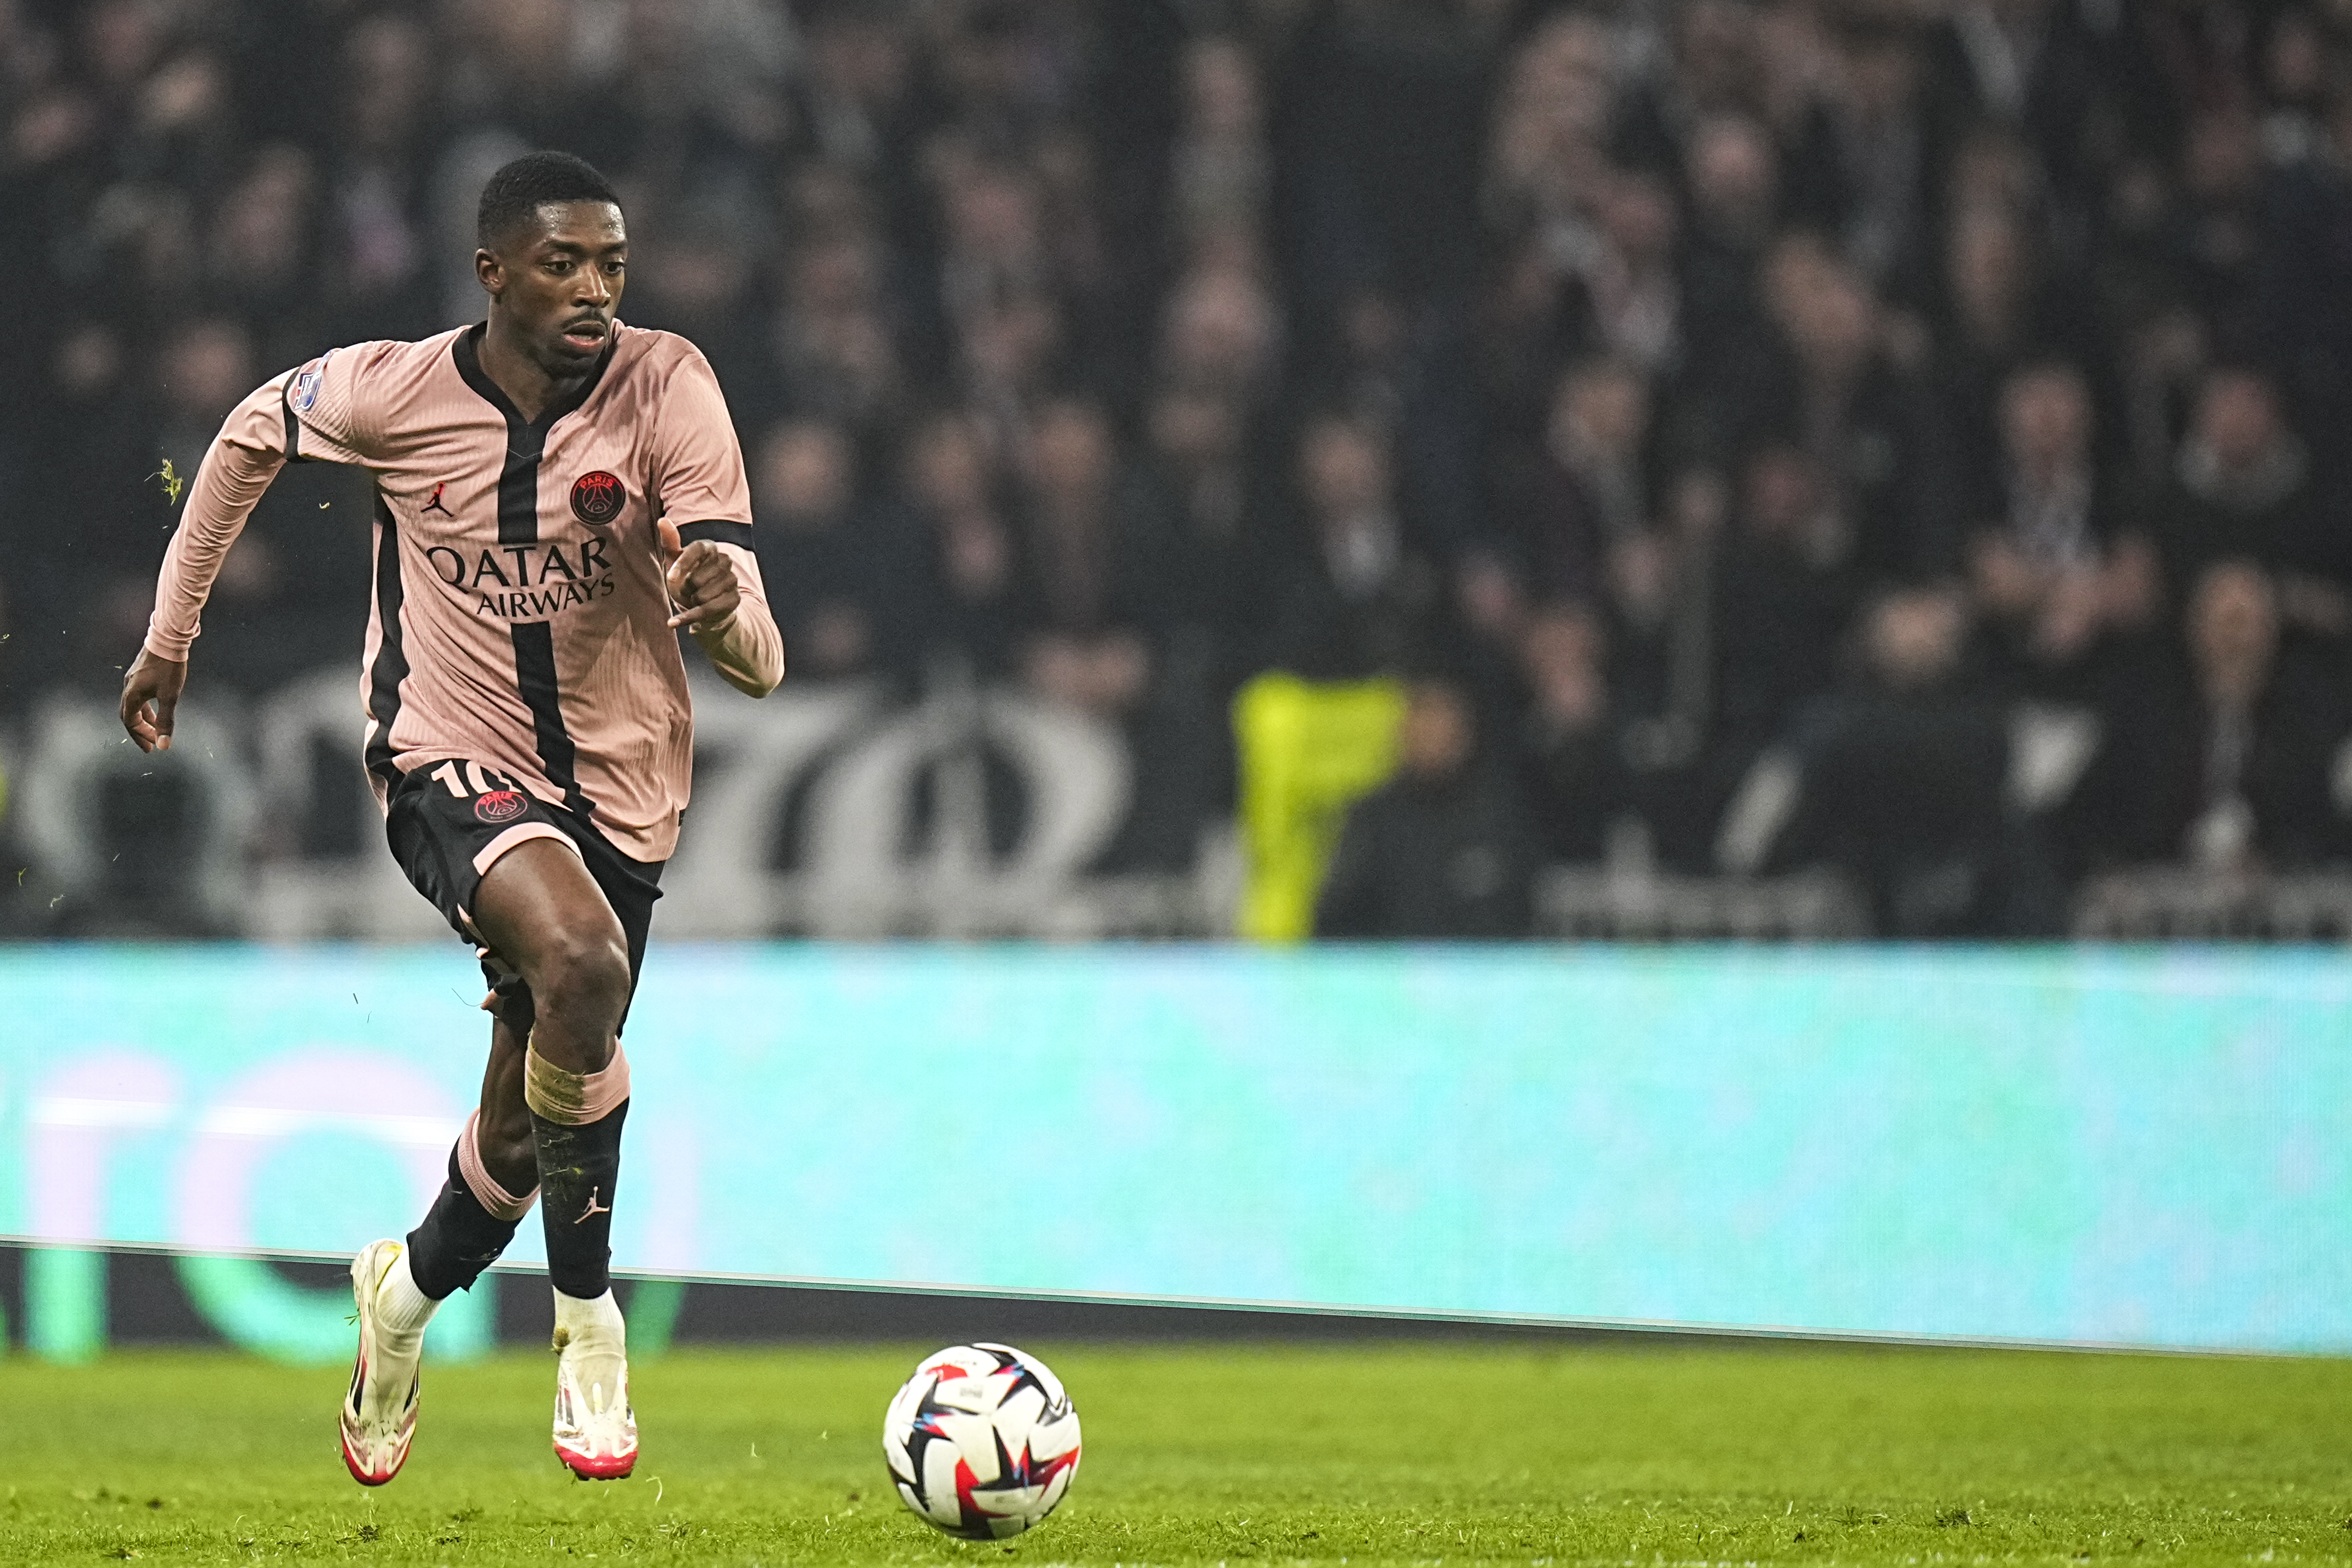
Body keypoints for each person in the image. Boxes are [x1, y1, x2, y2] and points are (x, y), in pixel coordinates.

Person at [116, 153, 785, 1486]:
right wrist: (169, 637)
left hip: (627, 783)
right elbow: (250, 432)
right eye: (562, 264)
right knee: (582, 965)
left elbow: (761, 656)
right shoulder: (394, 390)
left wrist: (723, 613)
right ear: (492, 274)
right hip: (445, 756)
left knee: (530, 1120)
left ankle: (405, 1297)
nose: (595, 290)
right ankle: (589, 1319)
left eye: (612, 265)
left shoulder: (671, 384)